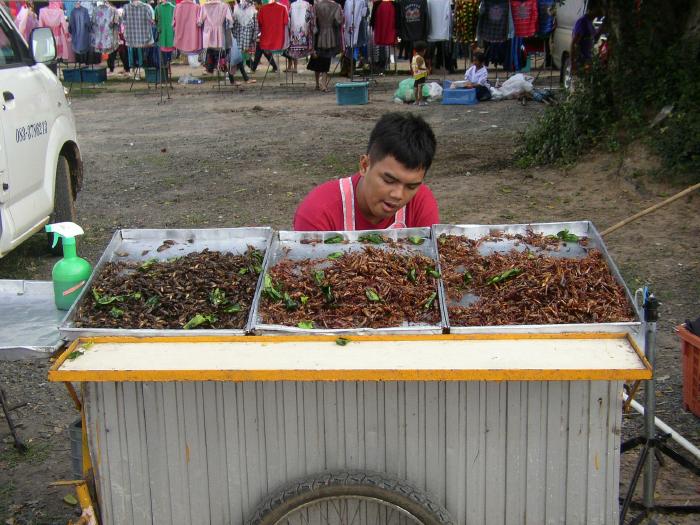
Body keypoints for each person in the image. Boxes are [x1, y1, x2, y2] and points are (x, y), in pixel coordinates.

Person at [293, 112, 439, 231]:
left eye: (411, 186)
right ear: (364, 165)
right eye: (389, 181)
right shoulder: (318, 213)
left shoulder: (421, 203)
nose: (398, 195)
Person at [570, 0, 603, 78]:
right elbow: (574, 43)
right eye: (599, 8)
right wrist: (573, 63)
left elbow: (594, 38)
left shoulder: (589, 22)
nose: (601, 11)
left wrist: (602, 28)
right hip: (581, 61)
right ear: (593, 9)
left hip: (588, 60)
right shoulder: (582, 22)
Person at [411, 40, 428, 106]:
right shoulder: (420, 58)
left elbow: (412, 65)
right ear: (423, 50)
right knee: (420, 88)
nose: (425, 52)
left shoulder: (414, 57)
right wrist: (426, 69)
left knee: (415, 87)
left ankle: (416, 101)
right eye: (425, 50)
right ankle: (421, 101)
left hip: (416, 75)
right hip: (421, 75)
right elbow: (419, 67)